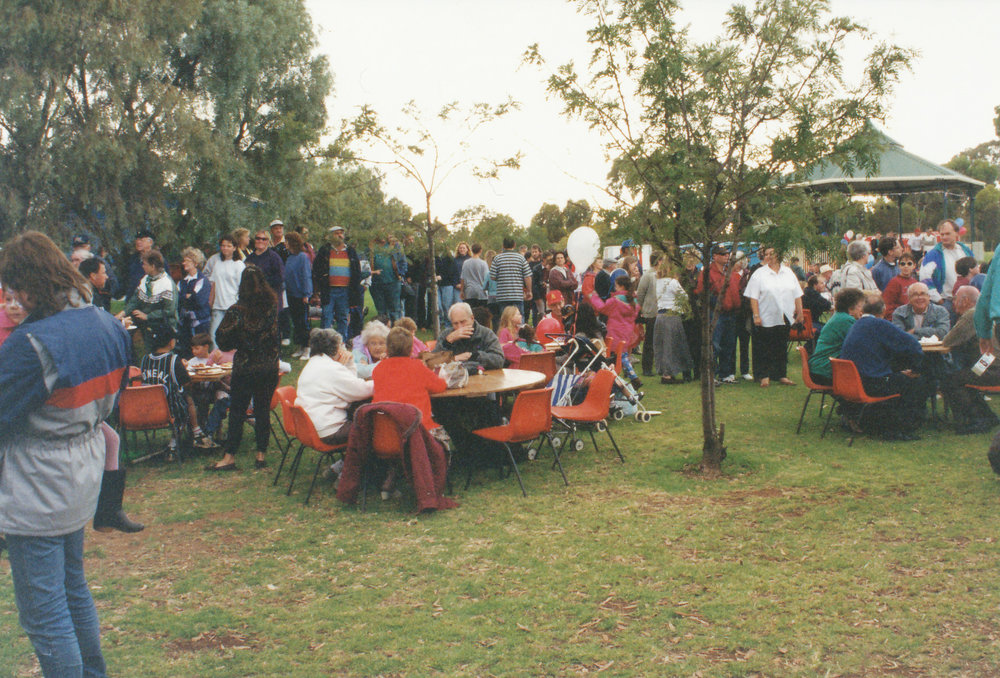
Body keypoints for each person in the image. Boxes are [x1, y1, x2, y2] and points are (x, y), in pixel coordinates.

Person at [0, 230, 131, 678]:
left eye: (13, 288)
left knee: (44, 610)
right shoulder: (106, 322)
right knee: (72, 589)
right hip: (82, 467)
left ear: (28, 283)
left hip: (38, 480)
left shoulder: (31, 342)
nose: (12, 298)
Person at [206, 265, 280, 471]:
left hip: (246, 367)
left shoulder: (236, 312)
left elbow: (222, 340)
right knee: (262, 409)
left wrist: (238, 340)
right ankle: (261, 455)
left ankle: (230, 456)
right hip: (268, 365)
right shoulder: (272, 307)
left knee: (237, 411)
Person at [840, 294, 932, 441]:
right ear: (883, 311)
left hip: (852, 382)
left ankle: (879, 422)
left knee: (900, 377)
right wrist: (915, 369)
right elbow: (913, 345)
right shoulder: (879, 324)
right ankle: (901, 428)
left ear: (863, 310)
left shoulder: (857, 324)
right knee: (917, 382)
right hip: (871, 384)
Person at [139, 323, 219, 455]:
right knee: (188, 397)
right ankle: (197, 433)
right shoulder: (173, 359)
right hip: (171, 409)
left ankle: (177, 441)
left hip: (146, 409)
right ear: (171, 342)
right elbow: (186, 382)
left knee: (183, 396)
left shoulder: (145, 360)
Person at [297, 328, 374, 446]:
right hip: (330, 430)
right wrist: (383, 381)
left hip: (313, 427)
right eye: (341, 345)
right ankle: (357, 463)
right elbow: (361, 390)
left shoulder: (315, 362)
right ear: (335, 348)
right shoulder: (331, 369)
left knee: (360, 411)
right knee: (376, 425)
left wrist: (349, 363)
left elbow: (350, 387)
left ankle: (348, 460)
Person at [939, 286, 1000, 434]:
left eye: (955, 300)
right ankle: (987, 415)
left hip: (991, 367)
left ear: (965, 300)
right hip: (991, 362)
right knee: (964, 376)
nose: (953, 304)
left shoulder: (971, 315)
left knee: (950, 380)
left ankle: (978, 419)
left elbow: (948, 341)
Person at [744, 246, 804, 387]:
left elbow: (797, 294)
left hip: (785, 316)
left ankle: (781, 375)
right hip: (766, 315)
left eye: (772, 253)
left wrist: (800, 312)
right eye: (767, 254)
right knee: (765, 347)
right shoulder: (759, 274)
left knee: (781, 346)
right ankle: (764, 375)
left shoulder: (788, 272)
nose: (769, 256)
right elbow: (753, 297)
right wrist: (756, 315)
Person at [373, 327, 447, 433]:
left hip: (387, 433)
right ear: (411, 349)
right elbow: (440, 386)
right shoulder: (417, 367)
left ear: (387, 349)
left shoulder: (378, 369)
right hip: (419, 430)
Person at [695, 245, 743, 384]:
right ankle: (711, 375)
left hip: (731, 313)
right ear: (714, 256)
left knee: (729, 344)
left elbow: (736, 289)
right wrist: (715, 303)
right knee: (714, 344)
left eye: (727, 254)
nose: (726, 256)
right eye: (722, 254)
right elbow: (701, 291)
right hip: (716, 313)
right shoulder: (707, 272)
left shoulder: (730, 272)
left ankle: (726, 373)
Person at [311, 224, 364, 341]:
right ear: (331, 236)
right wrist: (319, 287)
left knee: (343, 318)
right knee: (326, 317)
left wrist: (355, 287)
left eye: (341, 233)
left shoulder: (350, 251)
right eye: (336, 233)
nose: (340, 235)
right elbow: (316, 270)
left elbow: (357, 271)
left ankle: (341, 344)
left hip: (345, 291)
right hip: (329, 290)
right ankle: (324, 344)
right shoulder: (324, 250)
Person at [588, 276, 642, 388]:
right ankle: (626, 376)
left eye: (616, 285)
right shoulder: (634, 301)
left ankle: (632, 377)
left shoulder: (615, 300)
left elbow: (602, 308)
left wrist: (594, 297)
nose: (615, 287)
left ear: (621, 286)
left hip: (615, 330)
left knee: (620, 355)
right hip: (628, 331)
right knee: (622, 354)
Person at [119, 249, 178, 349]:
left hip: (164, 327)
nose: (143, 266)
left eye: (145, 264)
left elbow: (169, 310)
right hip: (148, 327)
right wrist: (123, 313)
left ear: (153, 266)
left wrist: (148, 316)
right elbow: (135, 299)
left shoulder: (167, 284)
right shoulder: (145, 279)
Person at [807, 288, 866, 386]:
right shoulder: (846, 320)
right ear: (851, 309)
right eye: (860, 306)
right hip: (825, 370)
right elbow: (862, 345)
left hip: (819, 368)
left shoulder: (839, 316)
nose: (863, 310)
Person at [651, 255, 692, 383]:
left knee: (662, 346)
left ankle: (665, 371)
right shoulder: (672, 282)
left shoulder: (657, 282)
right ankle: (668, 374)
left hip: (660, 316)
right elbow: (684, 297)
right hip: (671, 315)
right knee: (671, 345)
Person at [432, 302, 505, 368]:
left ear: (472, 318)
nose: (460, 327)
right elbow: (432, 362)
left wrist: (474, 355)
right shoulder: (446, 334)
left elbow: (499, 360)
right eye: (455, 323)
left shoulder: (486, 334)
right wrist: (447, 342)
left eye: (463, 322)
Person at [919, 219, 973, 305]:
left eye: (947, 234)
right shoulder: (932, 255)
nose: (944, 237)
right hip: (946, 302)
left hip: (967, 302)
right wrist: (938, 300)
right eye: (942, 234)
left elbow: (975, 272)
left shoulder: (965, 250)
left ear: (956, 233)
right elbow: (924, 278)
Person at [283, 232, 313, 360]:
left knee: (303, 322)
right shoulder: (289, 257)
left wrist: (306, 293)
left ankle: (307, 348)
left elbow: (306, 275)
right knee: (296, 323)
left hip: (301, 295)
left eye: (287, 241)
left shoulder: (302, 257)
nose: (285, 243)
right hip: (291, 294)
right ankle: (300, 347)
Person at [177, 246, 212, 357]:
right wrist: (188, 296)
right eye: (184, 260)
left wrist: (188, 297)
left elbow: (200, 301)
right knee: (187, 351)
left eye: (187, 261)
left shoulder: (202, 280)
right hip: (186, 323)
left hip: (200, 322)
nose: (184, 263)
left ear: (196, 263)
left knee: (201, 350)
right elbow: (178, 300)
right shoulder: (182, 282)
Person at [245, 228, 286, 316]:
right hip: (253, 300)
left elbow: (280, 277)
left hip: (270, 299)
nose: (260, 241)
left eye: (264, 239)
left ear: (268, 241)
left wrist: (262, 282)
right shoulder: (250, 258)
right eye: (258, 238)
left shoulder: (274, 257)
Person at [490, 237, 532, 318]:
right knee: (519, 318)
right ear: (514, 245)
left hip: (503, 296)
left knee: (505, 320)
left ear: (503, 245)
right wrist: (529, 291)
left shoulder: (497, 258)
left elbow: (492, 277)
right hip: (517, 295)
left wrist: (502, 277)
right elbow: (527, 276)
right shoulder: (521, 258)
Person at [634, 252, 661, 376]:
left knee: (659, 340)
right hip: (651, 312)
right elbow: (640, 294)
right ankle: (647, 368)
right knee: (649, 341)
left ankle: (659, 366)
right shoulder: (648, 276)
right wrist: (640, 310)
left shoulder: (661, 275)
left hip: (661, 311)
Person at [882, 251, 919, 318]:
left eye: (909, 264)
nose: (906, 266)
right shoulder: (894, 282)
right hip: (899, 318)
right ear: (899, 266)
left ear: (914, 266)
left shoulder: (915, 283)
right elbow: (887, 304)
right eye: (903, 264)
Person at [119, 228, 154, 298]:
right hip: (132, 301)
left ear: (150, 242)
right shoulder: (132, 260)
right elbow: (125, 281)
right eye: (137, 239)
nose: (138, 242)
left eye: (141, 240)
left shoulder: (158, 260)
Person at [436, 247, 462, 329]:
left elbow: (451, 272)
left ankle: (449, 325)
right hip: (436, 284)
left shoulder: (449, 258)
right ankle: (440, 323)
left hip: (447, 284)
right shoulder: (435, 258)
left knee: (447, 305)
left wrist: (442, 277)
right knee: (438, 305)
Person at [460, 243, 490, 309]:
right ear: (480, 251)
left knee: (471, 312)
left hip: (469, 291)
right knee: (482, 313)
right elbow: (487, 278)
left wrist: (462, 291)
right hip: (481, 292)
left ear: (471, 250)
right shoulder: (483, 263)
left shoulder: (466, 263)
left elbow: (462, 278)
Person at [528, 244, 547, 324]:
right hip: (533, 290)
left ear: (539, 252)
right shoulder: (529, 264)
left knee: (544, 310)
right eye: (533, 252)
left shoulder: (542, 263)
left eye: (536, 251)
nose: (534, 253)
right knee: (534, 311)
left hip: (542, 290)